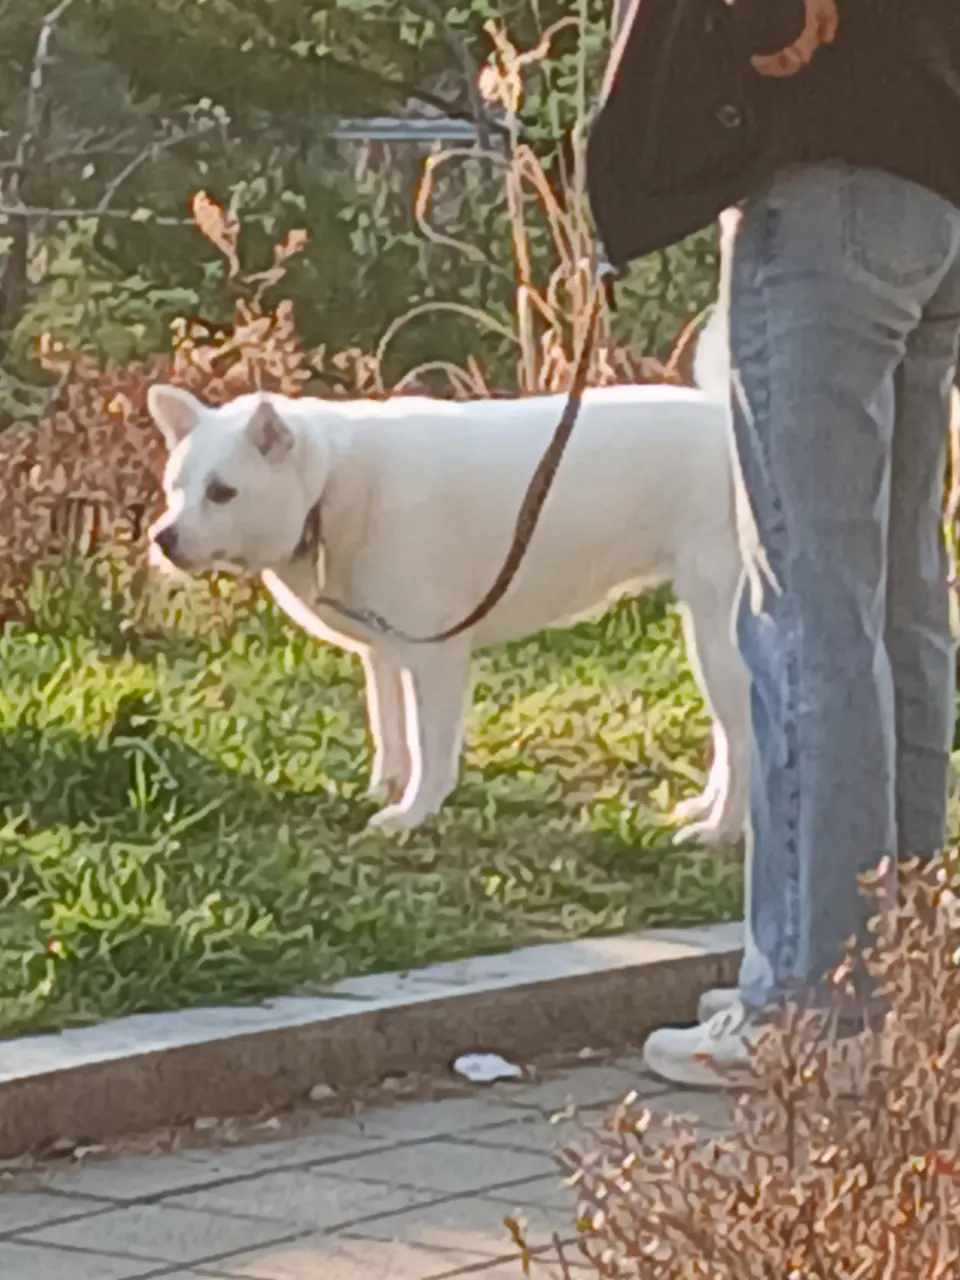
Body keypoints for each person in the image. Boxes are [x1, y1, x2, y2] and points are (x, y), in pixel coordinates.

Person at [587, 0, 960, 1087]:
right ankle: (903, 986)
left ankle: (813, 1006)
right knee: (899, 606)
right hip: (933, 190)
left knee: (810, 612)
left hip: (824, 184)